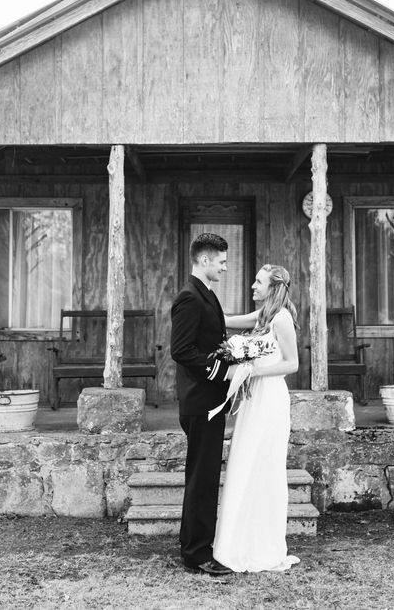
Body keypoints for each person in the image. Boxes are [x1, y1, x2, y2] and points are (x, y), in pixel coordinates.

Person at [212, 264, 301, 573]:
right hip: (254, 402)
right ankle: (236, 541)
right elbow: (227, 321)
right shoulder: (263, 315)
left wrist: (254, 370)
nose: (252, 285)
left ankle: (262, 544)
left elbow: (292, 364)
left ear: (273, 288)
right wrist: (204, 310)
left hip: (272, 399)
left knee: (264, 466)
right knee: (244, 462)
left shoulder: (282, 319)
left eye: (258, 282)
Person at [170, 233, 236, 576]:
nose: (225, 268)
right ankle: (196, 554)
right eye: (222, 262)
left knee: (204, 475)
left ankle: (192, 543)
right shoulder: (189, 297)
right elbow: (180, 350)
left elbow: (210, 339)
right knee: (202, 477)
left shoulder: (205, 294)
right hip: (199, 400)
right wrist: (222, 370)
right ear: (205, 260)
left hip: (208, 399)